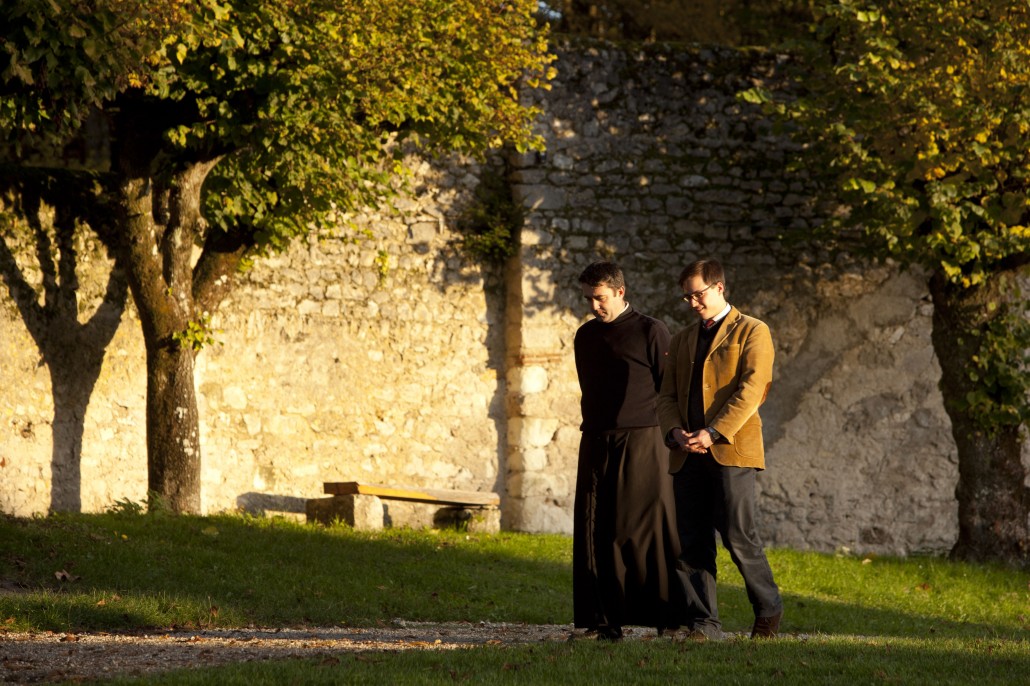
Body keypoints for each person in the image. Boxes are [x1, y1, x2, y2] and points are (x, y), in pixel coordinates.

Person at [657, 258, 783, 640]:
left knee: (738, 535)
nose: (693, 302)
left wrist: (713, 432)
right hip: (686, 453)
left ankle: (768, 608)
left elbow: (752, 390)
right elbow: (666, 396)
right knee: (691, 541)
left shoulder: (753, 331)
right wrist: (675, 431)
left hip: (732, 451)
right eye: (687, 297)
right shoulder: (681, 340)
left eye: (699, 294)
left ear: (719, 288)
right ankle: (704, 624)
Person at [572, 261, 685, 641]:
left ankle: (669, 619)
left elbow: (670, 391)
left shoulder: (652, 331)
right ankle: (601, 621)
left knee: (648, 527)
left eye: (600, 298)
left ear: (620, 292)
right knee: (594, 528)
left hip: (643, 439)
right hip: (596, 438)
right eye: (588, 298)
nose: (593, 306)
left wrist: (673, 435)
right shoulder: (584, 337)